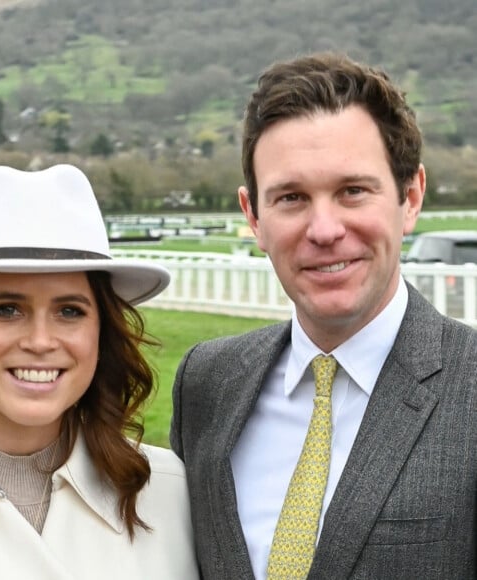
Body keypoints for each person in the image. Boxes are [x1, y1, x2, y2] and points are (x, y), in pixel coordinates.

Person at [170, 52, 477, 579]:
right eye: (291, 197)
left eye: (352, 191)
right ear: (254, 216)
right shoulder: (206, 383)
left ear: (411, 197)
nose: (325, 229)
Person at [0, 164, 199, 579]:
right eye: (7, 309)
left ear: (100, 333)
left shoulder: (168, 491)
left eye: (69, 311)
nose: (40, 341)